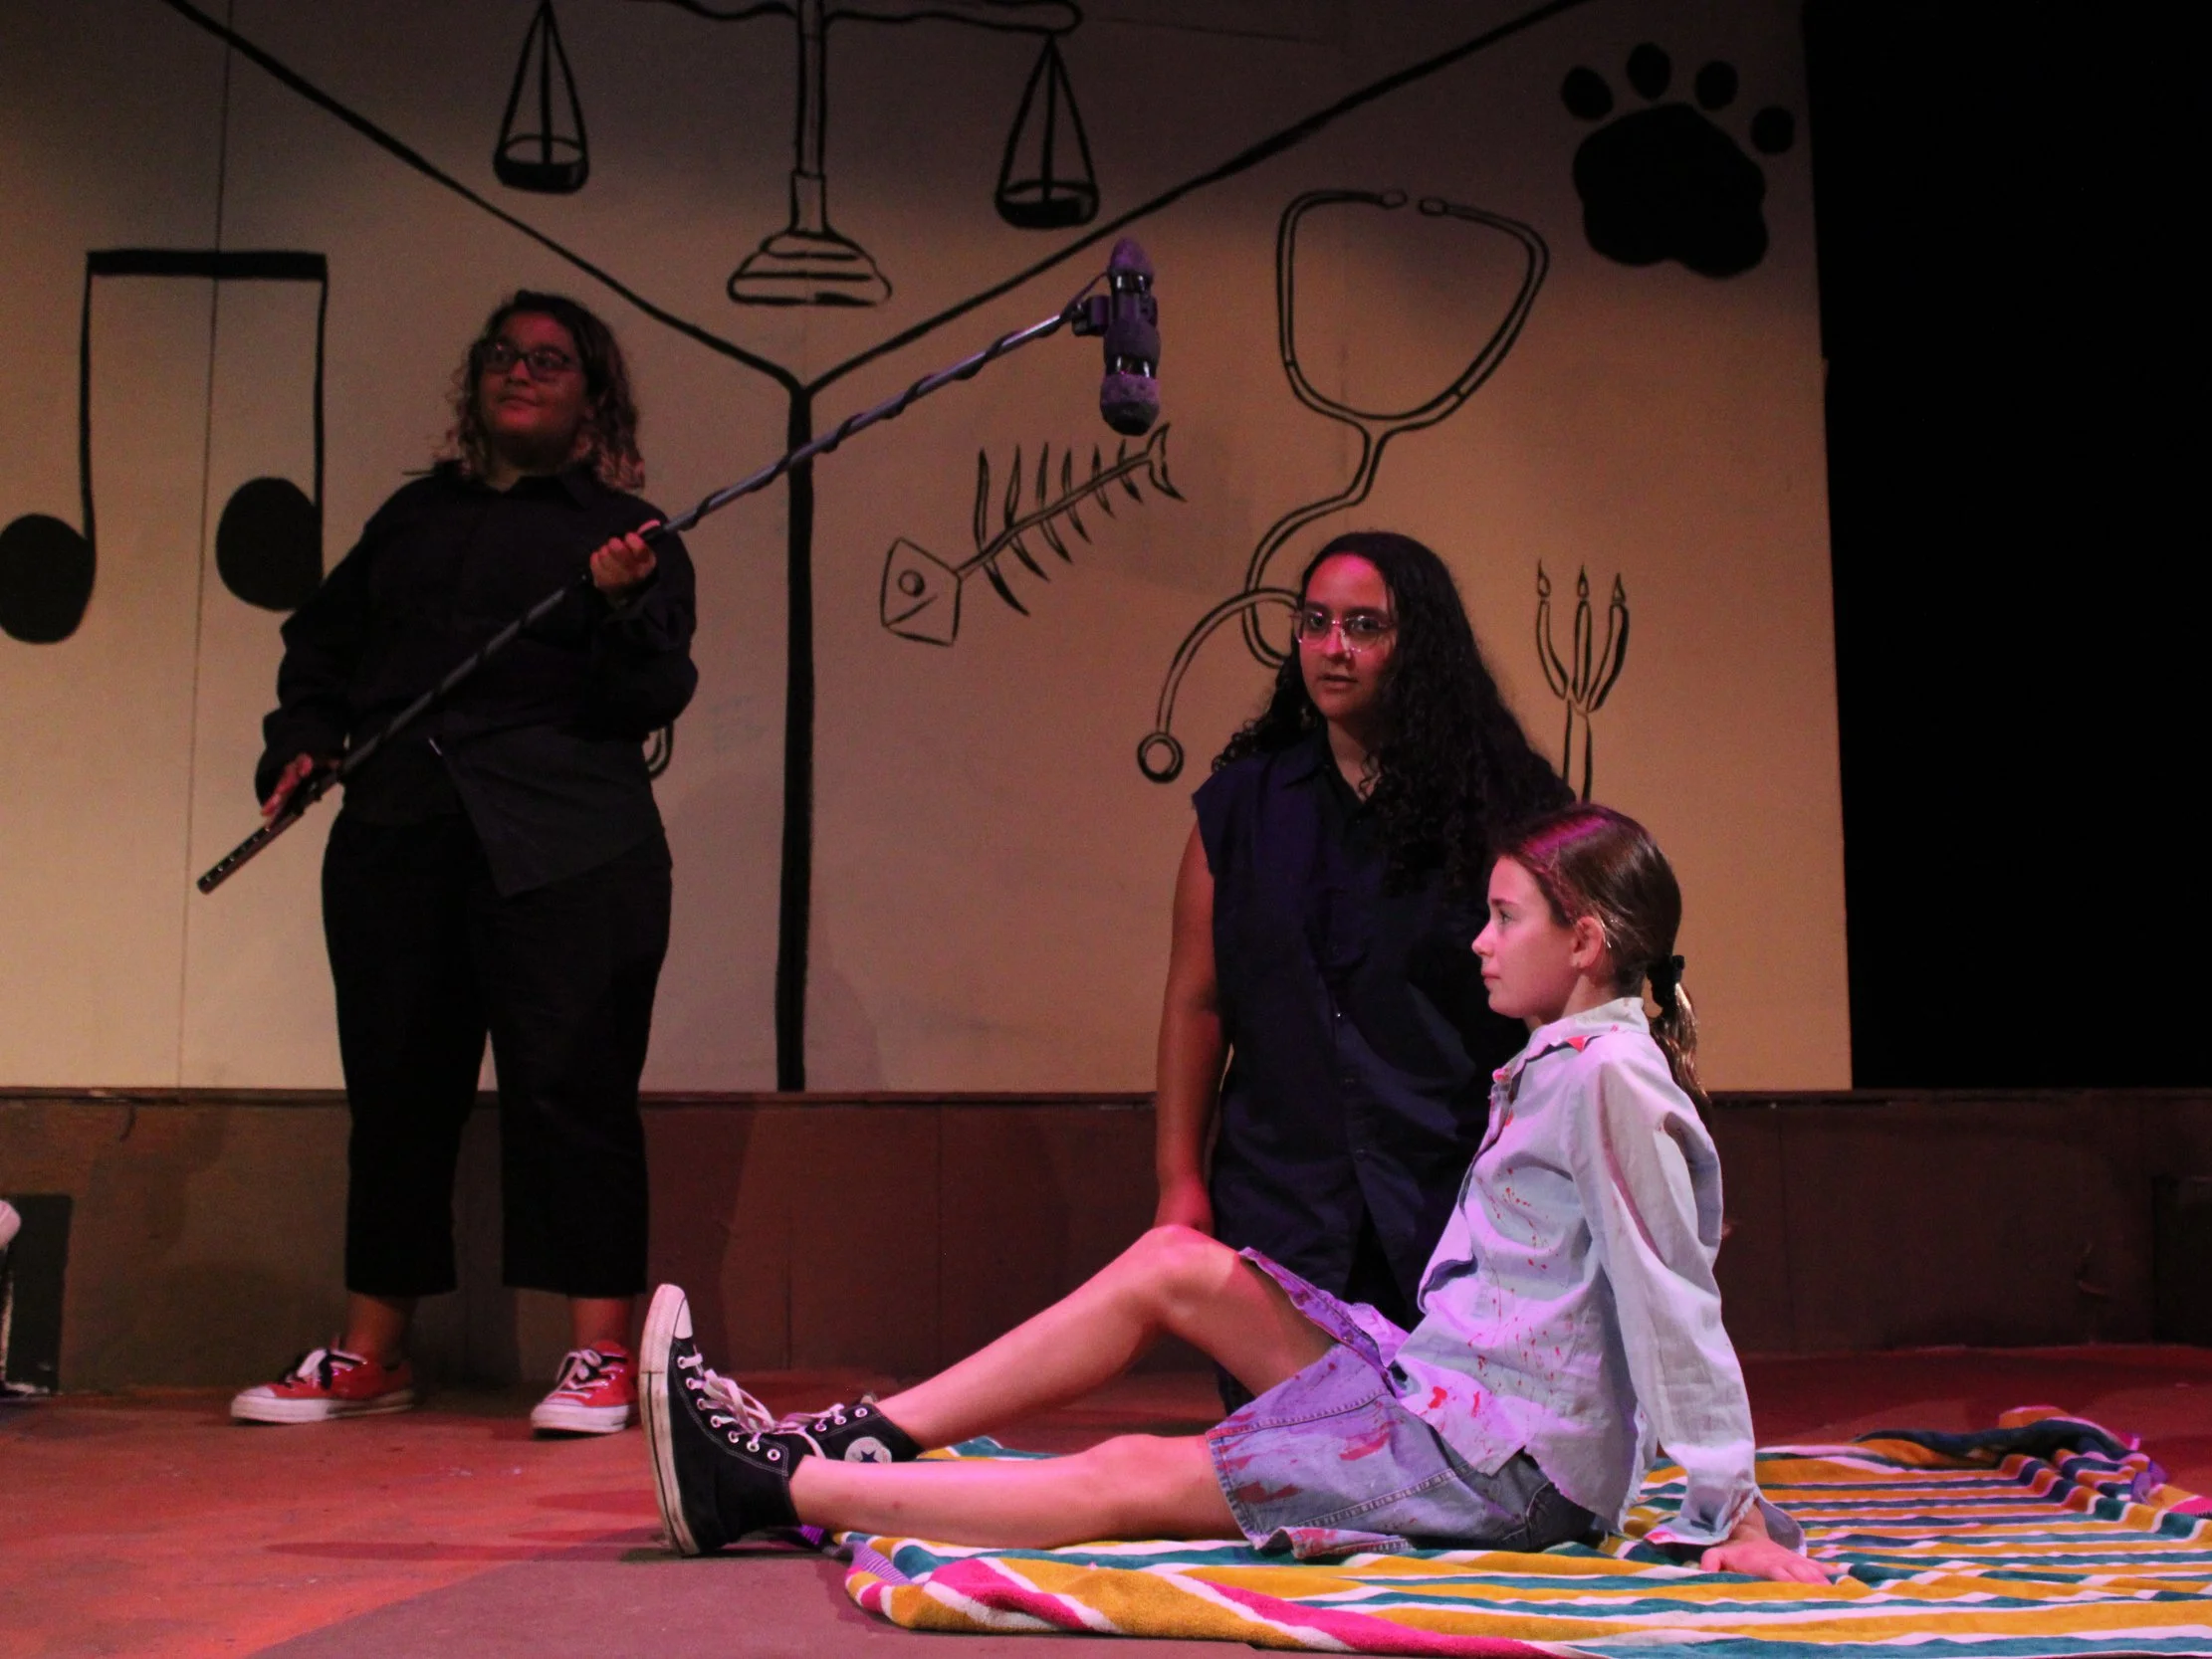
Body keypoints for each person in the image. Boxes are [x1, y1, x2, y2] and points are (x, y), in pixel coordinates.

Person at [636, 803, 1828, 1580]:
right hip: (1443, 1394)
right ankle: (857, 1436)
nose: (1478, 939)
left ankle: (763, 1485)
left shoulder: (1611, 1076)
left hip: (1501, 1469)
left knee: (1131, 1472)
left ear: (1586, 941)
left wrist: (1728, 1504)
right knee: (1176, 1265)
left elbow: (1672, 1299)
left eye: (1504, 917)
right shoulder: (1568, 1061)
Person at [230, 292, 695, 1435]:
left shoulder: (630, 535)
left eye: (549, 359)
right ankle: (374, 1352)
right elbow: (320, 654)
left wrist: (622, 607)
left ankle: (601, 1353)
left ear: (592, 399)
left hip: (571, 848)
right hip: (399, 837)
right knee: (396, 1093)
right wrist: (301, 744)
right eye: (501, 353)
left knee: (572, 1089)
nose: (519, 371)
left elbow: (647, 694)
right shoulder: (410, 519)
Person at [1155, 531, 1569, 1362]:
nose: (1333, 646)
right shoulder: (1239, 811)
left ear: (1418, 644)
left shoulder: (1507, 806)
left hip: (1455, 1203)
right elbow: (1197, 1005)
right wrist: (1180, 1182)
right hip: (1284, 1208)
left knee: (1440, 1438)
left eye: (1364, 625)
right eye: (1315, 622)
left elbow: (1563, 1010)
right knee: (1297, 1439)